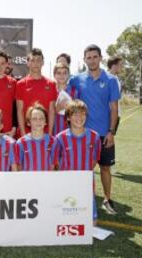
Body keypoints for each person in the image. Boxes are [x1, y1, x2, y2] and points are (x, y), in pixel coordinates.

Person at [69, 44, 120, 214]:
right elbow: (64, 95)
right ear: (84, 60)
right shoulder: (76, 79)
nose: (91, 60)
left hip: (104, 134)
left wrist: (111, 132)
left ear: (100, 58)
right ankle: (82, 199)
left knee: (105, 167)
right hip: (84, 135)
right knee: (85, 169)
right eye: (88, 57)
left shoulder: (111, 80)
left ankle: (107, 199)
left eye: (94, 57)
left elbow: (114, 107)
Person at [53, 100, 101, 222]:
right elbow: (56, 161)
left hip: (86, 182)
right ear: (68, 117)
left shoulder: (94, 137)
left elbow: (94, 160)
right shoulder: (60, 138)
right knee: (65, 219)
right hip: (66, 181)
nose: (79, 117)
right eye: (75, 114)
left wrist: (82, 174)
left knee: (91, 224)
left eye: (82, 114)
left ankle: (91, 217)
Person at [16, 48, 58, 137]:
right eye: (32, 60)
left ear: (43, 62)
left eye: (38, 60)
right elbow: (20, 111)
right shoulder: (20, 84)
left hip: (45, 133)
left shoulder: (51, 84)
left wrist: (49, 133)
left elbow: (51, 110)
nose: (35, 63)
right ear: (28, 63)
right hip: (26, 134)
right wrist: (23, 134)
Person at [15, 104, 55, 171]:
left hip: (47, 180)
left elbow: (54, 165)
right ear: (28, 122)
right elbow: (19, 167)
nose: (38, 121)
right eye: (34, 119)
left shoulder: (53, 141)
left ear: (45, 122)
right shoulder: (20, 143)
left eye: (41, 118)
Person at [53, 63, 79, 135]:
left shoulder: (74, 92)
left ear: (68, 75)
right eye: (59, 73)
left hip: (70, 131)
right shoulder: (51, 90)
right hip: (54, 131)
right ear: (54, 75)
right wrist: (58, 108)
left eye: (65, 73)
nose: (62, 75)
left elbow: (77, 112)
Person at [107, 55, 123, 133]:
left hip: (116, 114)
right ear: (114, 66)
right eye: (120, 65)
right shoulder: (105, 78)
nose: (122, 67)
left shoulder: (116, 79)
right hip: (108, 115)